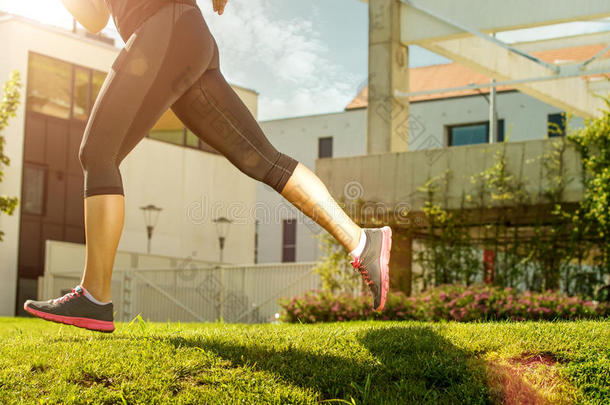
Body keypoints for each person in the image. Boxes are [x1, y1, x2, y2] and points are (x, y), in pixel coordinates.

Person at [24, 0, 392, 333]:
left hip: (163, 26)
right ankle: (363, 242)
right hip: (182, 35)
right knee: (265, 160)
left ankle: (94, 296)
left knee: (97, 154)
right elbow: (96, 17)